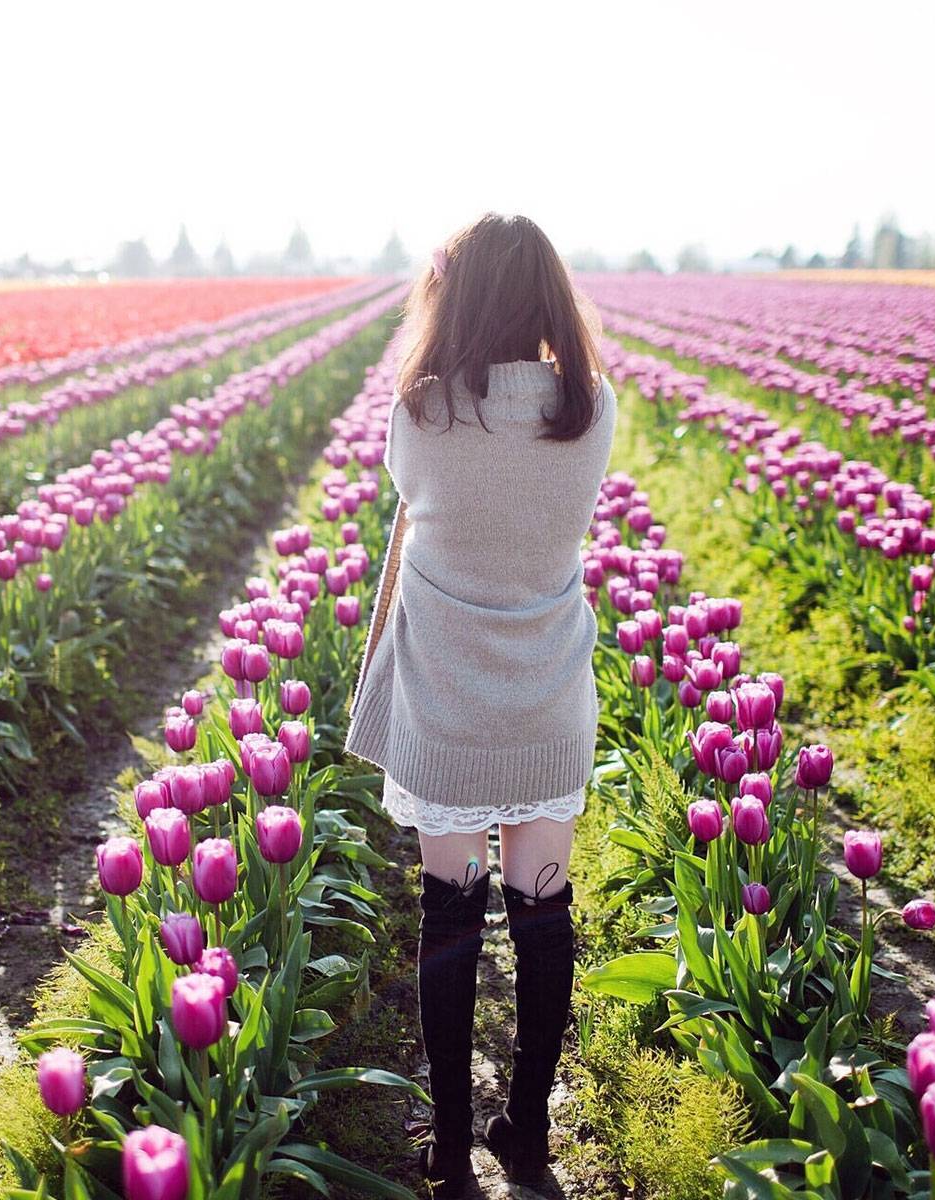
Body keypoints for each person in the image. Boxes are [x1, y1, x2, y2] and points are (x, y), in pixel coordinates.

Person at [345, 212, 615, 1194]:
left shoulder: (419, 413)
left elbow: (415, 499)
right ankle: (530, 1133)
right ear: (548, 297)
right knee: (544, 909)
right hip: (545, 696)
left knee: (448, 913)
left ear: (453, 297)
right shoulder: (591, 412)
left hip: (446, 706)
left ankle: (451, 1147)